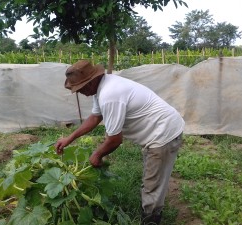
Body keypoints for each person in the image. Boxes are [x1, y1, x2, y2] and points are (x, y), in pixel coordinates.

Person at [54, 60, 184, 225]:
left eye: (81, 88)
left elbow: (115, 140)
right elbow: (95, 117)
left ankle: (151, 219)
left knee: (152, 184)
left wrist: (97, 154)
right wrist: (69, 138)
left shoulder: (110, 95)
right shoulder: (102, 88)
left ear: (92, 80)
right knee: (153, 176)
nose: (81, 93)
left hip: (163, 133)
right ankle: (152, 207)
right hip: (159, 130)